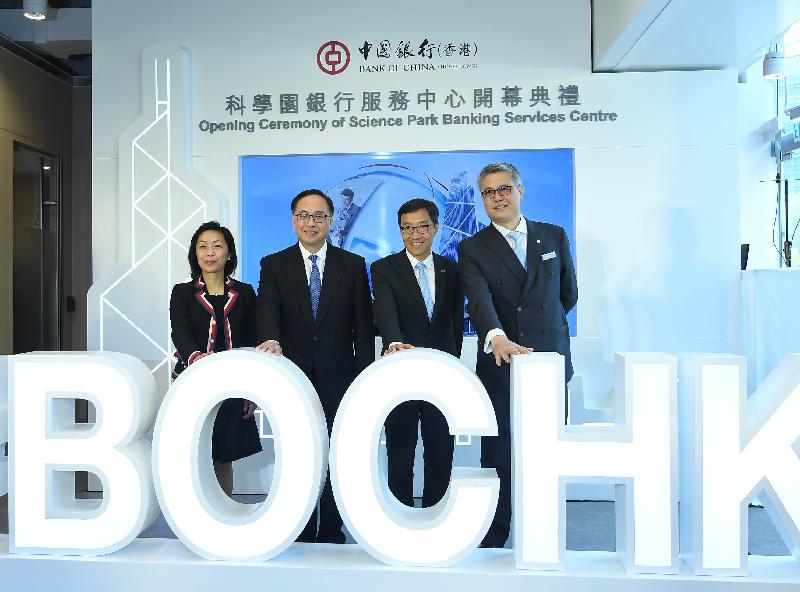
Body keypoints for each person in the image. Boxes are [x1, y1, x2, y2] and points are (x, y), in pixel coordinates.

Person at [458, 162, 578, 548]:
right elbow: (479, 300)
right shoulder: (472, 247)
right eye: (489, 192)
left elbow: (567, 295)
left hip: (548, 358)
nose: (497, 197)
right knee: (500, 450)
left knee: (547, 448)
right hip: (500, 360)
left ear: (520, 191)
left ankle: (542, 532)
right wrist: (496, 336)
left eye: (504, 188)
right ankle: (495, 531)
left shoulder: (553, 236)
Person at [256, 188, 374, 543]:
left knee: (336, 453)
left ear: (331, 220)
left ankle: (331, 527)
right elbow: (268, 310)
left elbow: (363, 326)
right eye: (304, 216)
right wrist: (271, 338)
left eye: (319, 216)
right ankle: (302, 526)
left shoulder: (352, 265)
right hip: (292, 377)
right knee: (299, 454)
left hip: (340, 375)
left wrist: (364, 375)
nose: (311, 223)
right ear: (294, 220)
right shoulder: (273, 265)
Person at [370, 198, 463, 508]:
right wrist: (394, 341)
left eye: (422, 226)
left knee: (441, 447)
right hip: (401, 371)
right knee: (400, 448)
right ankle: (401, 515)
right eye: (406, 228)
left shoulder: (452, 269)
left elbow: (454, 324)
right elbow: (385, 311)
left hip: (442, 373)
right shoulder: (383, 268)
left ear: (435, 228)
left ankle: (437, 514)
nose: (415, 235)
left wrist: (452, 363)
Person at [169, 221, 262, 496]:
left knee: (224, 454)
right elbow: (180, 332)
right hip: (193, 381)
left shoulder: (244, 292)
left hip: (233, 385)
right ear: (195, 254)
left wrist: (251, 389)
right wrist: (198, 359)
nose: (210, 252)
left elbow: (252, 339)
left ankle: (223, 513)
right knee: (194, 451)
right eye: (202, 246)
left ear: (229, 254)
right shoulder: (182, 292)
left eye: (217, 246)